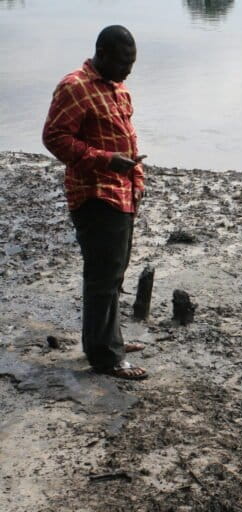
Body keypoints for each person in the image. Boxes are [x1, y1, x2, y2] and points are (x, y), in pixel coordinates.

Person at [42, 25, 149, 380]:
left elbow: (125, 137)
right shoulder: (75, 87)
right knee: (102, 276)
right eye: (122, 63)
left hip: (122, 192)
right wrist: (105, 160)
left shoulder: (116, 85)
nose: (128, 70)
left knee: (114, 272)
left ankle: (110, 340)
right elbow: (55, 138)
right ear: (101, 53)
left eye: (131, 64)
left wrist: (136, 179)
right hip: (94, 194)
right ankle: (105, 357)